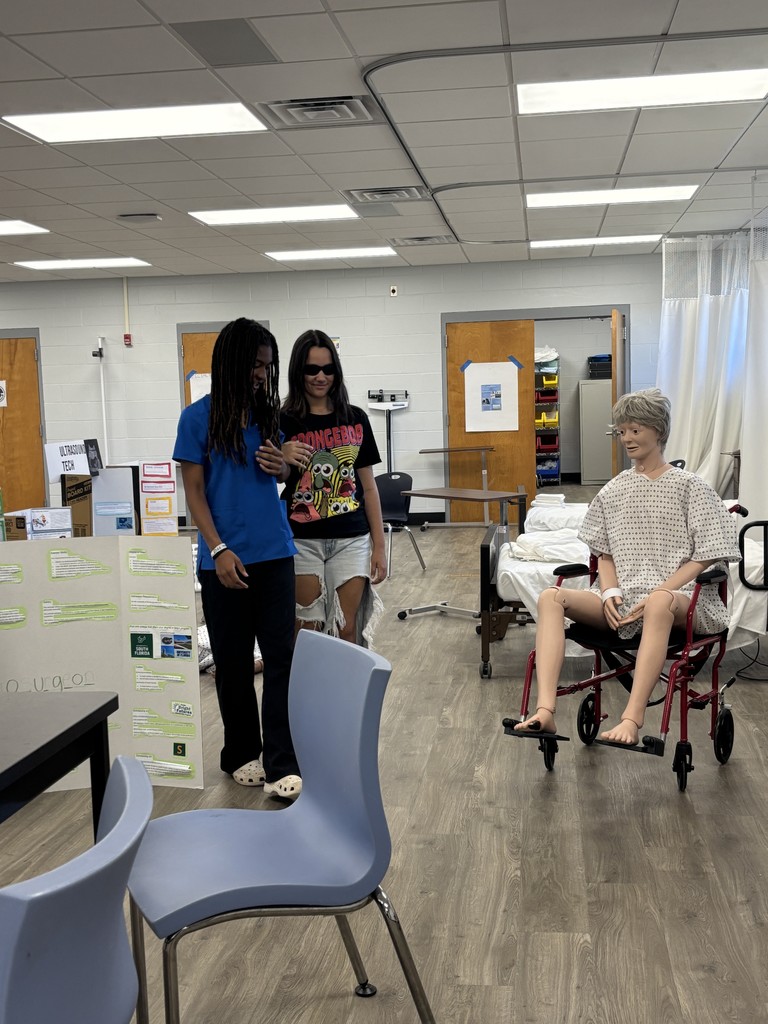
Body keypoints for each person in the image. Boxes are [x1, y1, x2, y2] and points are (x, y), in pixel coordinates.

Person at [514, 388, 740, 745]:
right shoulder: (613, 490)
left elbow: (708, 553)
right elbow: (604, 553)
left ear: (659, 431)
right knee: (550, 598)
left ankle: (632, 721)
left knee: (657, 602)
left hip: (681, 600)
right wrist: (610, 592)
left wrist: (663, 590)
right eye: (622, 431)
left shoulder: (691, 487)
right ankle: (545, 711)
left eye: (636, 429)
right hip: (624, 600)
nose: (627, 438)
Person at [173, 318, 301, 800]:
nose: (260, 374)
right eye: (254, 364)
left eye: (266, 367)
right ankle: (241, 752)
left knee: (281, 659)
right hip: (222, 559)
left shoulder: (268, 416)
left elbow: (282, 476)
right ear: (230, 361)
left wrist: (285, 466)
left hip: (275, 554)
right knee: (231, 663)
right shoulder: (196, 419)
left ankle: (281, 759)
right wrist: (218, 548)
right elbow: (195, 493)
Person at [279, 329, 386, 647]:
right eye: (312, 369)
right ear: (299, 372)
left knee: (346, 628)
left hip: (350, 540)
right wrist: (280, 453)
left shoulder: (355, 419)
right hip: (301, 541)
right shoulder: (283, 421)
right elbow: (268, 479)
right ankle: (308, 696)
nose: (320, 376)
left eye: (328, 369)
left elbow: (368, 489)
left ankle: (346, 696)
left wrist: (379, 547)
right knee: (307, 629)